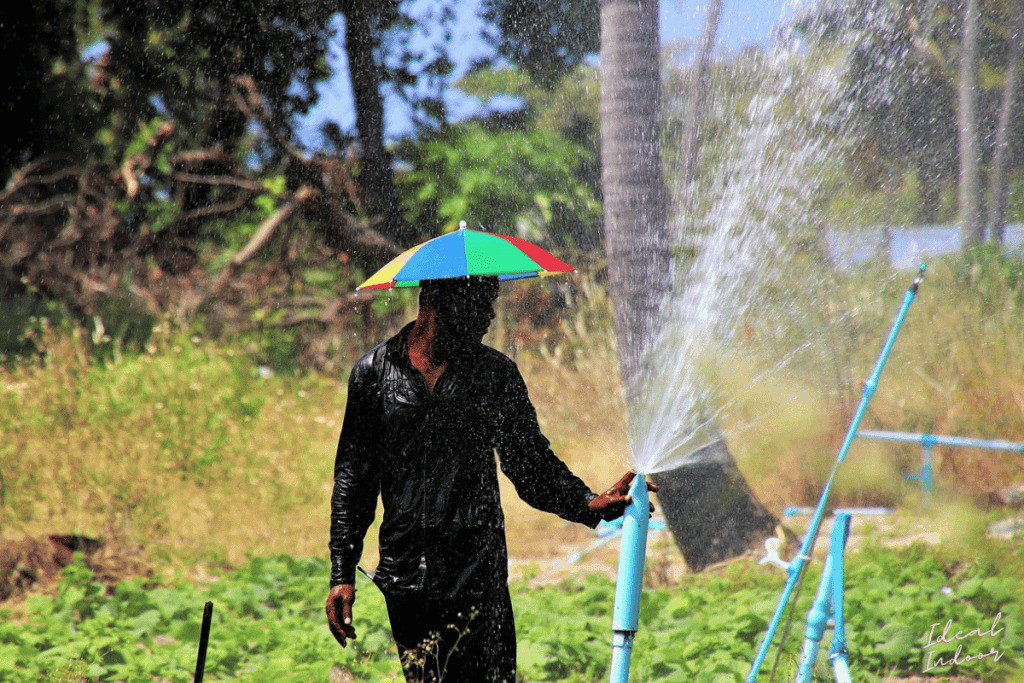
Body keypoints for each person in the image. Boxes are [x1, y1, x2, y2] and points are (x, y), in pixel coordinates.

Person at [325, 275, 657, 683]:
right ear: (433, 301)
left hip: (477, 573)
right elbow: (354, 481)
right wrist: (342, 572)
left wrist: (586, 502)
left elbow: (528, 464)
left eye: (491, 302)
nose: (490, 315)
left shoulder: (493, 376)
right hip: (406, 579)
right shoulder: (373, 374)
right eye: (478, 303)